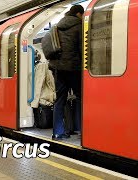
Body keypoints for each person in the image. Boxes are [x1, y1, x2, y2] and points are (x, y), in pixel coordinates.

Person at [49, 5, 84, 140]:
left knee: (60, 101)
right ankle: (83, 131)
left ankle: (57, 133)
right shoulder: (79, 26)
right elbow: (82, 49)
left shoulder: (57, 26)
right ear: (78, 14)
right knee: (81, 98)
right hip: (74, 68)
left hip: (58, 69)